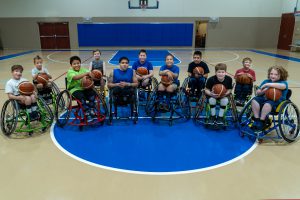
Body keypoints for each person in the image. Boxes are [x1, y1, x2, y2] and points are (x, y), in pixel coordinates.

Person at [250, 66, 288, 131]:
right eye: (271, 74)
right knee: (254, 100)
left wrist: (268, 85)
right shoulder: (266, 81)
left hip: (277, 102)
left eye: (276, 74)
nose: (273, 76)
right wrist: (264, 90)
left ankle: (262, 121)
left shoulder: (283, 82)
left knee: (268, 104)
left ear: (281, 75)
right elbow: (258, 93)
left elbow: (283, 86)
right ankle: (257, 119)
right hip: (264, 99)